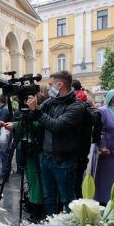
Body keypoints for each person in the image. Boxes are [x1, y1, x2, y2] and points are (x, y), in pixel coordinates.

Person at [25, 71, 85, 215]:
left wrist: (36, 111)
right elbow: (36, 115)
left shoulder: (76, 106)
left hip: (64, 161)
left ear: (60, 85)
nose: (49, 87)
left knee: (67, 199)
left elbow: (56, 126)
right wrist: (31, 108)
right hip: (46, 158)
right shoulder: (52, 101)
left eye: (51, 85)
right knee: (48, 197)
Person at [5, 92, 47, 222]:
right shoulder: (24, 113)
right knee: (30, 180)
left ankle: (37, 209)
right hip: (27, 150)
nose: (26, 103)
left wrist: (16, 125)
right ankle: (32, 204)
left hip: (37, 150)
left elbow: (39, 124)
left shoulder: (40, 111)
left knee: (36, 181)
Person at [0, 94, 12, 184]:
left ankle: (3, 177)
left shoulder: (4, 110)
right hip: (7, 135)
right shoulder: (5, 108)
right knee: (5, 156)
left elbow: (0, 123)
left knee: (5, 156)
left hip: (5, 136)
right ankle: (5, 176)